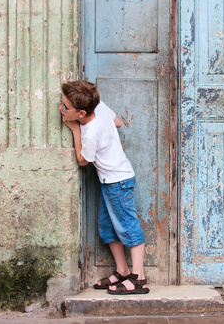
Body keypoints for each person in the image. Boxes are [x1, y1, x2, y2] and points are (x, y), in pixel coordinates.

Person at [60, 80, 149, 295]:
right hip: (110, 182)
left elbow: (82, 160)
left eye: (65, 107)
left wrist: (75, 130)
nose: (61, 109)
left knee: (128, 227)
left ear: (81, 113)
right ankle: (122, 270)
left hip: (118, 181)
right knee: (107, 228)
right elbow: (117, 122)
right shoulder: (99, 107)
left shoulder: (89, 133)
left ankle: (139, 278)